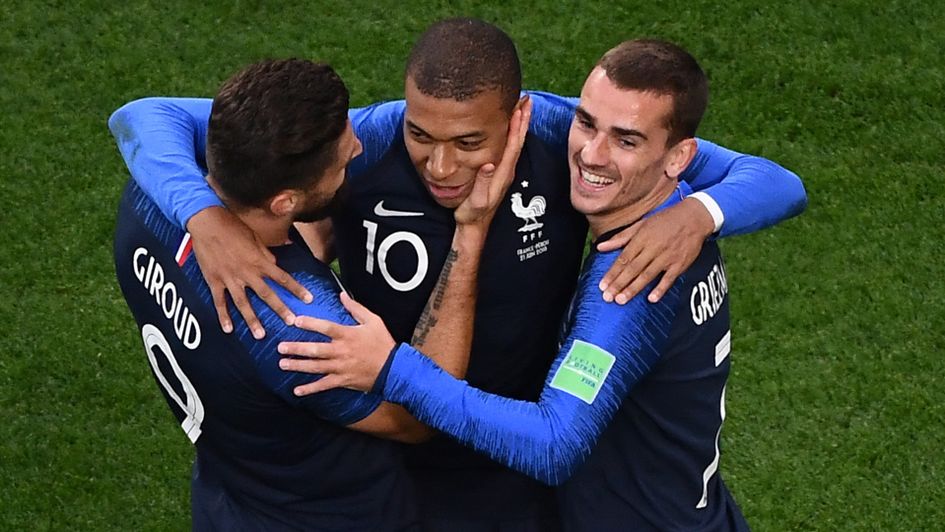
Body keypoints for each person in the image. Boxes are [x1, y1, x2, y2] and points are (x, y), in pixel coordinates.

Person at [109, 18, 806, 530]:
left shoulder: (575, 169)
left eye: (469, 142)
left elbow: (777, 181)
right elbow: (144, 115)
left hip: (511, 476)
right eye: (422, 136)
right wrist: (204, 214)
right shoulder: (366, 140)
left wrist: (699, 214)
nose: (439, 167)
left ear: (518, 115)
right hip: (411, 477)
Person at [280, 39, 756, 531]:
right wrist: (705, 211)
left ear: (679, 158)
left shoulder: (630, 280)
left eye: (627, 140)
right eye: (586, 123)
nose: (591, 155)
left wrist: (392, 367)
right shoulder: (679, 229)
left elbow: (554, 445)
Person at [112, 57, 530, 530]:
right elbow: (416, 418)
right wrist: (470, 232)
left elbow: (144, 116)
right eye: (342, 155)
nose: (356, 146)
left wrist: (203, 215)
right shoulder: (296, 323)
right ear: (284, 201)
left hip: (232, 490)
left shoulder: (147, 198)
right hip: (332, 515)